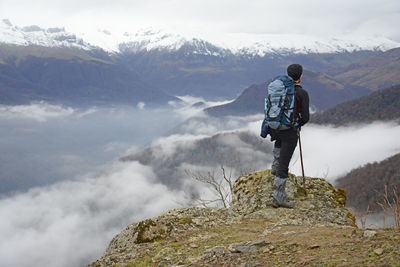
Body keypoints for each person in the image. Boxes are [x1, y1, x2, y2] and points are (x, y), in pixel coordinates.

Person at [270, 64, 309, 208]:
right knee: (284, 164)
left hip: (275, 126)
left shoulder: (278, 88)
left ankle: (274, 167)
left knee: (278, 144)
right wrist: (297, 123)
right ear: (300, 76)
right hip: (290, 131)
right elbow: (305, 117)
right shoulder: (301, 93)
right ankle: (279, 197)